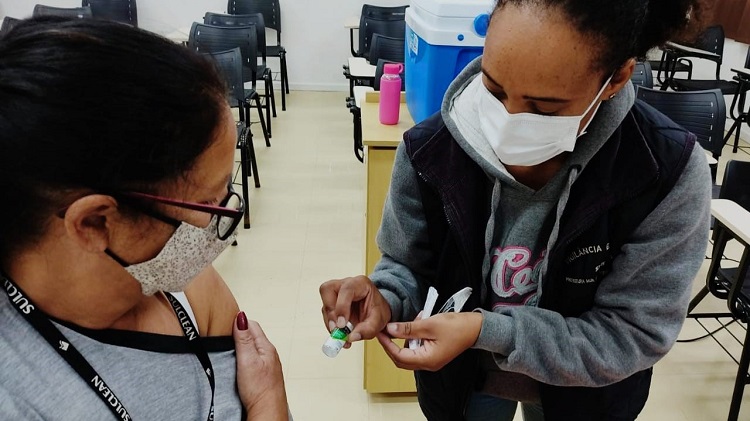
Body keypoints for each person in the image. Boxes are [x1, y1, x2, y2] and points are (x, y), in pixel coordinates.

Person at [320, 0, 711, 420]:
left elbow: (631, 333)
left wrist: (489, 330)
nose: (507, 120)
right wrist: (387, 296)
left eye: (544, 108)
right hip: (465, 384)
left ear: (616, 78)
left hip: (584, 395)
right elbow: (409, 264)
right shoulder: (430, 151)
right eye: (493, 89)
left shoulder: (661, 171)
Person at [0, 17, 288, 420]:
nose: (219, 222)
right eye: (209, 202)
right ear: (95, 222)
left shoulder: (174, 281)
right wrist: (266, 403)